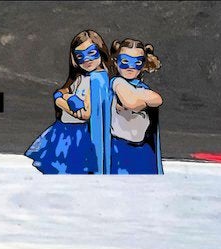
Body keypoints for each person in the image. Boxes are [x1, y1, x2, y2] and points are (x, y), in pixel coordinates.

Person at [26, 30, 114, 174]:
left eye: (91, 53)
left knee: (71, 171)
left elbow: (85, 113)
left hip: (78, 136)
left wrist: (60, 101)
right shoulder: (82, 77)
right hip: (65, 132)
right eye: (80, 56)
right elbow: (64, 91)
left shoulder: (97, 80)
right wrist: (67, 98)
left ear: (100, 50)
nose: (86, 59)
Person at [108, 38, 163, 174]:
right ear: (116, 62)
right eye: (125, 61)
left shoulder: (141, 86)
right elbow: (132, 103)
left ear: (143, 64)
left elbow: (157, 99)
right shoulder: (117, 82)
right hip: (119, 148)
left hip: (142, 147)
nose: (131, 67)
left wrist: (138, 97)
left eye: (137, 62)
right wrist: (142, 100)